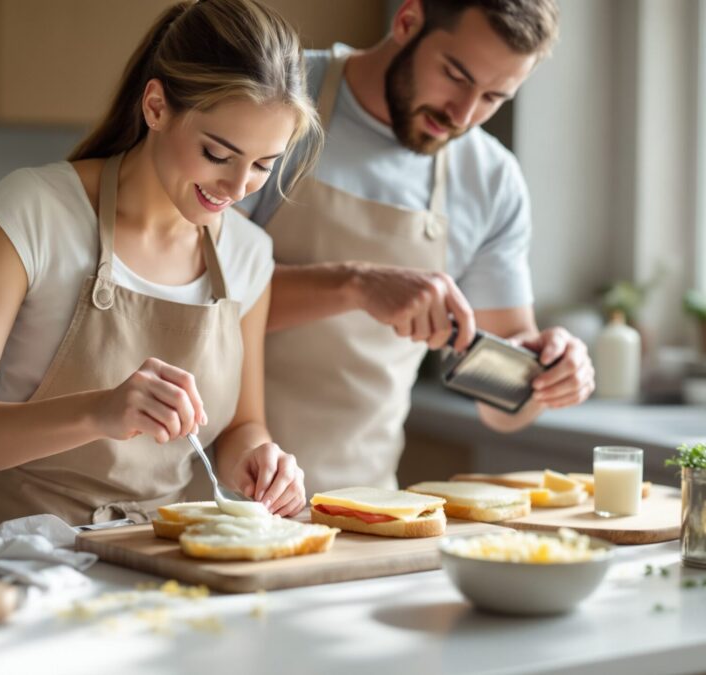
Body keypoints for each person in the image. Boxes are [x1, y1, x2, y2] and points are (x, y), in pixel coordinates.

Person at [0, 0, 323, 537]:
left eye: (264, 165)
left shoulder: (248, 254)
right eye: (218, 154)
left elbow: (243, 424)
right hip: (14, 560)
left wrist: (261, 460)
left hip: (151, 566)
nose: (238, 186)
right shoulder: (34, 211)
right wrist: (98, 413)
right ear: (156, 106)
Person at [239, 0, 596, 494]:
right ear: (407, 21)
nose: (464, 115)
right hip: (214, 485)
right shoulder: (273, 93)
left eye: (494, 97)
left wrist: (549, 374)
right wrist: (355, 286)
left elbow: (504, 406)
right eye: (455, 75)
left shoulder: (492, 181)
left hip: (359, 498)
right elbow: (191, 294)